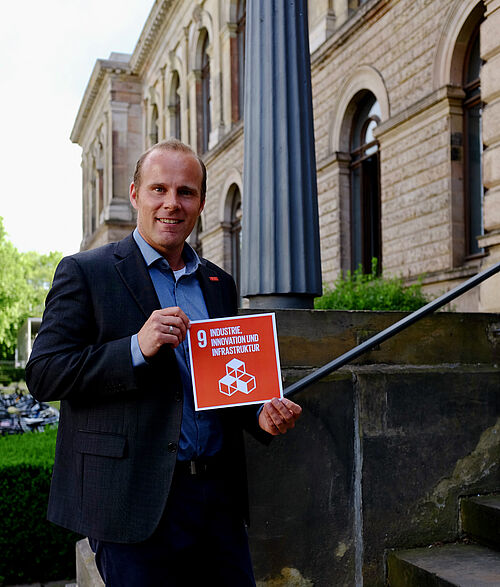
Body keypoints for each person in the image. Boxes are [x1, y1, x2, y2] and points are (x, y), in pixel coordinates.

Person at [26, 139, 302, 586]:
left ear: (201, 203)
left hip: (216, 501)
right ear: (135, 194)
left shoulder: (218, 283)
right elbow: (44, 373)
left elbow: (220, 379)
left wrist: (259, 412)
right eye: (159, 190)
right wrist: (135, 347)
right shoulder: (86, 272)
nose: (171, 204)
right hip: (133, 502)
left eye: (185, 192)